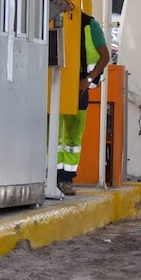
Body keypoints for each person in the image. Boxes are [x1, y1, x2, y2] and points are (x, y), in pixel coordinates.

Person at [57, 11, 110, 196]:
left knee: (73, 136)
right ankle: (51, 176)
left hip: (79, 86)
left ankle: (65, 179)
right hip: (54, 82)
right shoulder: (49, 17)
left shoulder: (90, 24)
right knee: (50, 134)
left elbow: (105, 57)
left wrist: (87, 81)